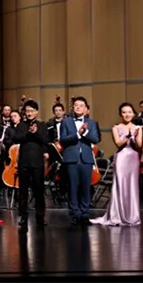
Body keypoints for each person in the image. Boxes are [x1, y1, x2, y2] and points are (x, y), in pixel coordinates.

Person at [92, 103, 143, 226]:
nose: (127, 114)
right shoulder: (116, 127)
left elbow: (139, 145)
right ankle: (117, 215)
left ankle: (132, 216)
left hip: (133, 159)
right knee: (120, 185)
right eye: (124, 112)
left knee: (132, 187)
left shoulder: (138, 128)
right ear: (120, 114)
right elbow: (118, 143)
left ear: (134, 114)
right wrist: (128, 136)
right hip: (121, 158)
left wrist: (135, 136)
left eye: (129, 112)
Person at [60, 96, 100, 226]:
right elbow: (63, 140)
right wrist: (77, 134)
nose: (78, 107)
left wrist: (85, 133)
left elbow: (96, 139)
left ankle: (85, 214)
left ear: (86, 108)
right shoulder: (66, 122)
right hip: (71, 158)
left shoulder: (92, 122)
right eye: (76, 105)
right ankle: (75, 214)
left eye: (81, 105)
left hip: (86, 159)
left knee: (86, 187)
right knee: (73, 187)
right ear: (73, 107)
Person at [13, 100, 49, 229]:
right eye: (27, 111)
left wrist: (36, 133)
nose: (29, 113)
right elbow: (16, 138)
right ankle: (23, 216)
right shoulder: (21, 125)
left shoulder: (42, 125)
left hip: (37, 162)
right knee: (23, 191)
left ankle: (40, 216)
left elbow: (45, 140)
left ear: (36, 112)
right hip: (24, 161)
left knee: (39, 190)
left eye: (32, 111)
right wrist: (28, 133)